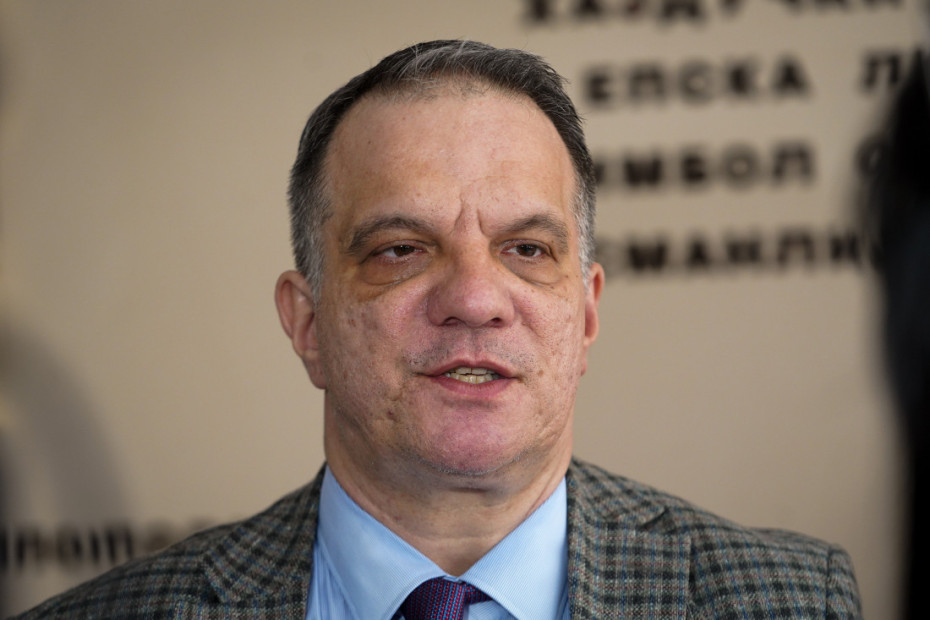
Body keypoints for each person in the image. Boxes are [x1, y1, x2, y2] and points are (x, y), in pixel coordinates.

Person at [14, 40, 861, 619]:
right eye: (401, 250)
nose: (475, 298)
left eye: (526, 249)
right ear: (307, 324)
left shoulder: (792, 601)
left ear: (586, 314)